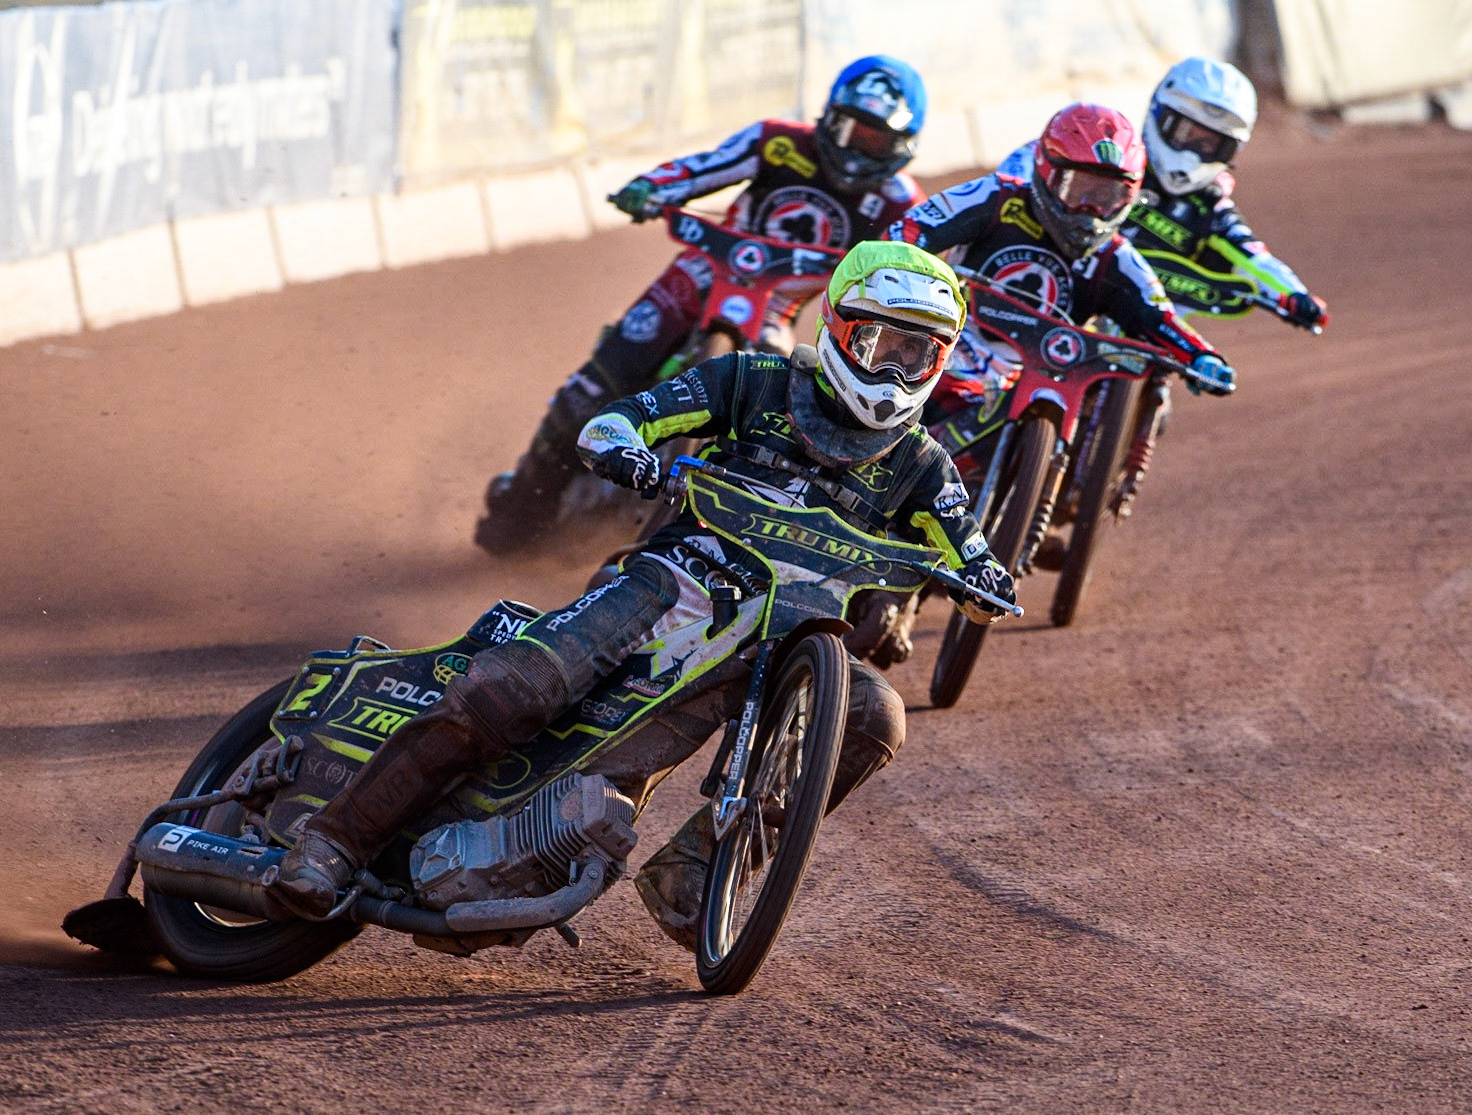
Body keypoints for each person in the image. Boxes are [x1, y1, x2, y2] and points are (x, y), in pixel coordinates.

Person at [272, 242, 1017, 949]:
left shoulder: (924, 466)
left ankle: (696, 870)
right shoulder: (752, 379)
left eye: (917, 354)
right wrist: (626, 450)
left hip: (782, 640)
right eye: (881, 344)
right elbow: (620, 419)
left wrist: (986, 580)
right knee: (516, 689)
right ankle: (334, 842)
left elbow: (977, 556)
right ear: (840, 329)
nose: (894, 370)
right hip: (672, 583)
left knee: (876, 711)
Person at [475, 55, 931, 555]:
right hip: (697, 276)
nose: (855, 149)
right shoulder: (777, 141)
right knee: (587, 392)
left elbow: (914, 266)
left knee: (779, 424)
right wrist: (652, 188)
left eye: (874, 140)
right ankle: (522, 503)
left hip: (774, 309)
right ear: (829, 117)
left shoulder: (902, 204)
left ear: (901, 148)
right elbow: (704, 167)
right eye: (850, 130)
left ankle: (725, 539)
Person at [863, 102, 1232, 665]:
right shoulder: (995, 199)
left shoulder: (1117, 258)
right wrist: (895, 264)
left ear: (1131, 198)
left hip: (1038, 380)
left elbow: (1161, 318)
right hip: (951, 350)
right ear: (1045, 171)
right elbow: (908, 231)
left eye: (1109, 197)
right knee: (872, 407)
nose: (1090, 211)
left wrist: (1202, 357)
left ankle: (931, 578)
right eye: (1079, 189)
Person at [996, 59, 1327, 508]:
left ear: (1230, 150)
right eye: (1187, 133)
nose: (1193, 150)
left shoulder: (1212, 209)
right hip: (1059, 298)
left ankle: (1113, 487)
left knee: (1164, 396)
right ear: (1159, 115)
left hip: (1149, 321)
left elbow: (1254, 257)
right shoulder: (1112, 158)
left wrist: (1294, 295)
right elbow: (1024, 174)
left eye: (1211, 143)